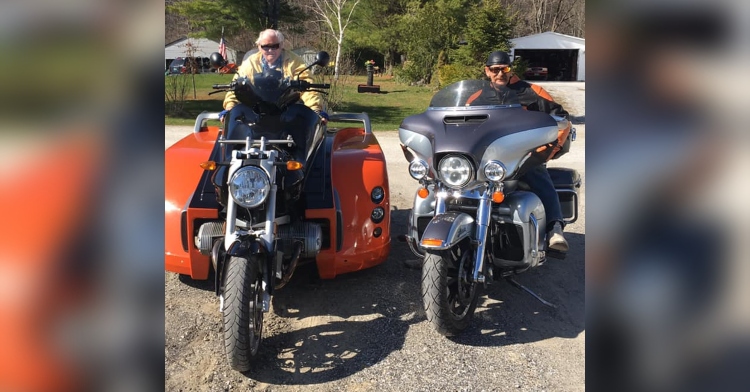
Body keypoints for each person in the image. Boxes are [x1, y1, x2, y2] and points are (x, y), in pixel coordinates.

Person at [469, 50, 570, 253]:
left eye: (504, 69)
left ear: (510, 69)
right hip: (488, 158)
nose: (500, 74)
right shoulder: (476, 98)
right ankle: (432, 247)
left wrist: (545, 151)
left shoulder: (532, 92)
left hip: (523, 155)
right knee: (449, 185)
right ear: (487, 71)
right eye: (495, 70)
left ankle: (554, 228)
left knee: (538, 172)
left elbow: (562, 120)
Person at [221, 29, 327, 123]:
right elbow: (236, 86)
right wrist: (230, 107)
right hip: (256, 113)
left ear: (281, 45)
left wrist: (315, 110)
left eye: (274, 46)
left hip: (288, 111)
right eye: (265, 47)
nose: (270, 50)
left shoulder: (295, 61)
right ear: (259, 46)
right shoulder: (250, 62)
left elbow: (308, 85)